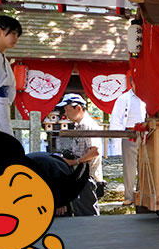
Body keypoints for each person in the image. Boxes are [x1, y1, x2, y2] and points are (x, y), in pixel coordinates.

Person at [57, 94, 103, 216]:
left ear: (78, 108)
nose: (66, 113)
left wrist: (76, 161)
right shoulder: (80, 125)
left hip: (86, 177)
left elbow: (95, 151)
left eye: (67, 109)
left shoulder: (88, 125)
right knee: (81, 213)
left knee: (88, 214)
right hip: (80, 176)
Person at [109, 74, 147, 207]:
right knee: (129, 167)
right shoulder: (123, 98)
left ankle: (143, 194)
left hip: (146, 135)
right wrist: (118, 138)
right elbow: (116, 119)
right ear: (131, 83)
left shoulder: (149, 98)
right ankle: (129, 196)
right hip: (129, 133)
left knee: (145, 166)